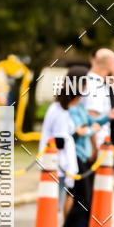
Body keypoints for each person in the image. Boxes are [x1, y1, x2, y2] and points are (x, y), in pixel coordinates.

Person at [57, 67, 110, 227]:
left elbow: (90, 125)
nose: (88, 87)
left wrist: (108, 117)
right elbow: (75, 133)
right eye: (85, 83)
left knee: (82, 201)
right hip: (74, 159)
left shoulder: (79, 106)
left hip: (83, 159)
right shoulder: (65, 109)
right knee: (81, 200)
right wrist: (88, 130)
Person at [39, 72, 80, 218]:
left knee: (52, 199)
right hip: (58, 163)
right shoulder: (61, 112)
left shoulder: (55, 108)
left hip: (55, 161)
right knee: (55, 200)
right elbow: (59, 140)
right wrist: (77, 134)